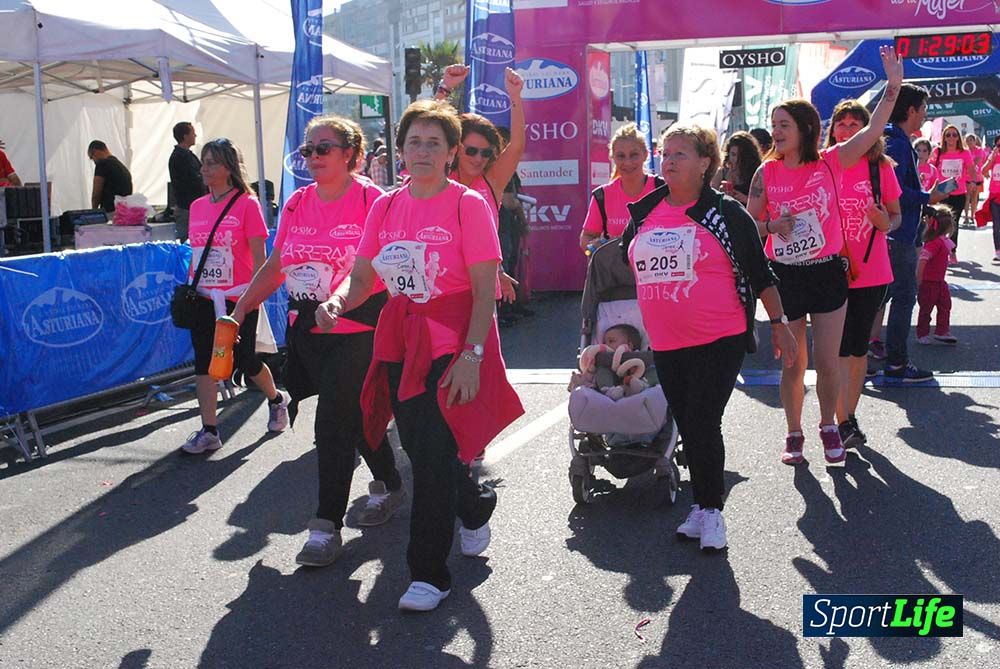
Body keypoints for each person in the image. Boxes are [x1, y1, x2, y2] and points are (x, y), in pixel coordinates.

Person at [318, 99, 523, 612]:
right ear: (401, 150)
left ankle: (429, 573)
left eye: (435, 143)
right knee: (420, 444)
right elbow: (364, 276)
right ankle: (474, 506)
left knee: (430, 458)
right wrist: (340, 299)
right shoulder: (386, 205)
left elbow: (482, 293)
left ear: (453, 152)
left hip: (454, 341)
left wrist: (473, 356)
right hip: (403, 338)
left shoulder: (466, 205)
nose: (424, 151)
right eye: (415, 142)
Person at [231, 116, 405, 567]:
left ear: (351, 154)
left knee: (331, 424)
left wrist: (340, 301)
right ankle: (389, 482)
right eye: (307, 150)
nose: (312, 158)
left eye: (322, 149)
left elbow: (379, 268)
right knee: (354, 416)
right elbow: (277, 264)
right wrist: (243, 307)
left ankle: (325, 527)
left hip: (360, 327)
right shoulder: (297, 202)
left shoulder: (374, 200)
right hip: (308, 328)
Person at [622, 123, 795, 551]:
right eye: (666, 153)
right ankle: (702, 506)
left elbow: (760, 274)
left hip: (720, 337)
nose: (671, 160)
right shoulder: (644, 211)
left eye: (682, 153)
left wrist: (780, 325)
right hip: (666, 339)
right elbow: (631, 262)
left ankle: (712, 511)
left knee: (703, 420)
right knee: (688, 422)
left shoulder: (725, 213)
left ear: (705, 163)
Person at [746, 46, 902, 465]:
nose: (775, 132)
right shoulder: (766, 172)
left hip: (828, 273)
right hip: (785, 276)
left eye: (783, 125)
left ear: (804, 129)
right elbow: (747, 227)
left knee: (829, 362)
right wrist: (771, 228)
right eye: (773, 125)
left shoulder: (832, 163)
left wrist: (893, 87)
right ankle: (793, 434)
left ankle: (829, 427)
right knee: (794, 363)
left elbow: (872, 133)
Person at [179, 138, 287, 455]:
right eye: (204, 161)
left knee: (243, 361)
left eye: (211, 162)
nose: (204, 168)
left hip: (238, 298)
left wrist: (253, 297)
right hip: (202, 296)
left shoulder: (246, 204)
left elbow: (259, 258)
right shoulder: (198, 207)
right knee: (203, 363)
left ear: (228, 167)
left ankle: (276, 399)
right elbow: (197, 252)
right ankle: (209, 430)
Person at [822, 100, 902, 451]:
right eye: (843, 123)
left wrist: (886, 222)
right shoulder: (822, 162)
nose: (849, 129)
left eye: (857, 123)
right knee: (836, 349)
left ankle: (846, 417)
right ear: (832, 128)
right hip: (828, 270)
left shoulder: (880, 166)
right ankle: (838, 419)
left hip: (871, 271)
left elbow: (896, 215)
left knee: (856, 349)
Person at [436, 64, 524, 303]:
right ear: (455, 148)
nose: (478, 158)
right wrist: (444, 89)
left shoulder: (491, 181)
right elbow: (428, 132)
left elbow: (516, 146)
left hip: (481, 291)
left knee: (478, 343)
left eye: (486, 153)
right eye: (471, 150)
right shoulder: (438, 178)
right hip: (440, 287)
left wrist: (515, 97)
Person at [881, 82, 944, 383]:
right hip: (897, 235)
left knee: (888, 295)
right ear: (911, 110)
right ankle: (896, 362)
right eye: (923, 110)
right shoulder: (895, 141)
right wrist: (925, 198)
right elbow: (892, 189)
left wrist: (924, 203)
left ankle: (877, 352)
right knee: (903, 296)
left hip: (899, 233)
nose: (924, 115)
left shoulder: (898, 140)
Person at [580, 123, 662, 253]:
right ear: (612, 158)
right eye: (621, 156)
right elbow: (586, 238)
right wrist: (592, 249)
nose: (627, 162)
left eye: (634, 154)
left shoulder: (662, 189)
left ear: (645, 155)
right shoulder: (602, 195)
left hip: (655, 271)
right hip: (616, 272)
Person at [930, 124, 975, 262]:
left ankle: (952, 251)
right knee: (940, 222)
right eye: (948, 135)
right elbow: (930, 167)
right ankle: (938, 250)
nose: (951, 138)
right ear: (944, 137)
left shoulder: (964, 153)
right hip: (941, 193)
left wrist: (972, 182)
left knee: (953, 223)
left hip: (958, 193)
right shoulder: (938, 152)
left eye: (954, 135)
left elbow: (971, 169)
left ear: (958, 138)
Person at [915, 205, 957, 345]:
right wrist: (919, 280)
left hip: (940, 282)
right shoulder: (934, 243)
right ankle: (922, 333)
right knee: (926, 310)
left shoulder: (941, 241)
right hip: (928, 282)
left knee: (945, 305)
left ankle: (942, 331)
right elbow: (922, 261)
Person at [169, 122, 208, 240]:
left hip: (194, 205)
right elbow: (192, 180)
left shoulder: (188, 155)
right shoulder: (180, 157)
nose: (195, 135)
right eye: (192, 133)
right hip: (187, 207)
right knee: (188, 239)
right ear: (185, 136)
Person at [710, 131, 763, 206]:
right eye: (733, 154)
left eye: (741, 155)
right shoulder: (721, 173)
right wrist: (719, 194)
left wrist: (745, 199)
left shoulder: (756, 174)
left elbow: (762, 204)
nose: (736, 159)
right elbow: (710, 200)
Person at [87, 140, 133, 212]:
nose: (93, 160)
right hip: (124, 212)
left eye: (91, 157)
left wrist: (94, 211)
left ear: (95, 151)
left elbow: (96, 193)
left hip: (110, 212)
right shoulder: (122, 167)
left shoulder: (102, 164)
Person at [979, 136, 1000, 264]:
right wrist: (991, 158)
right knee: (997, 224)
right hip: (994, 195)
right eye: (998, 145)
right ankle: (998, 250)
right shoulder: (994, 158)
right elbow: (984, 170)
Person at [964, 133, 986, 227]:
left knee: (974, 197)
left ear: (975, 141)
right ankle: (966, 217)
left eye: (971, 140)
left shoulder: (979, 150)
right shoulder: (965, 151)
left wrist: (970, 164)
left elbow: (978, 160)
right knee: (967, 197)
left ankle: (972, 216)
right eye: (968, 140)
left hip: (977, 177)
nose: (969, 142)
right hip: (967, 177)